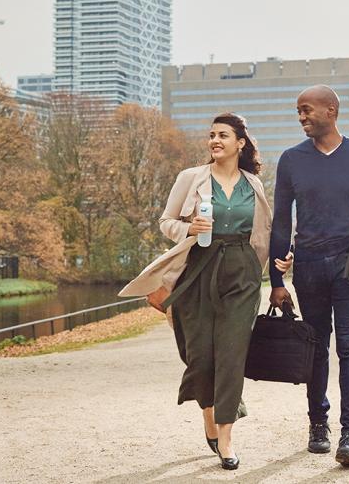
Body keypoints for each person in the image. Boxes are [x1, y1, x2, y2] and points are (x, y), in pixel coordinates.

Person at [118, 113, 272, 471]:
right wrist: (188, 229)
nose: (215, 141)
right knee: (201, 354)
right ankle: (208, 415)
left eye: (223, 135)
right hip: (198, 271)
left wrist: (271, 265)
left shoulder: (254, 185)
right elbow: (165, 221)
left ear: (240, 143)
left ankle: (227, 437)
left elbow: (263, 233)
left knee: (232, 354)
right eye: (211, 135)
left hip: (242, 275)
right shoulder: (190, 178)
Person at [269, 85, 349, 468]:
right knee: (316, 346)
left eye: (307, 110)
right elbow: (280, 222)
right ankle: (317, 423)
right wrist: (276, 282)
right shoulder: (290, 160)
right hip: (307, 264)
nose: (301, 116)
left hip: (348, 265)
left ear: (331, 111)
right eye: (297, 111)